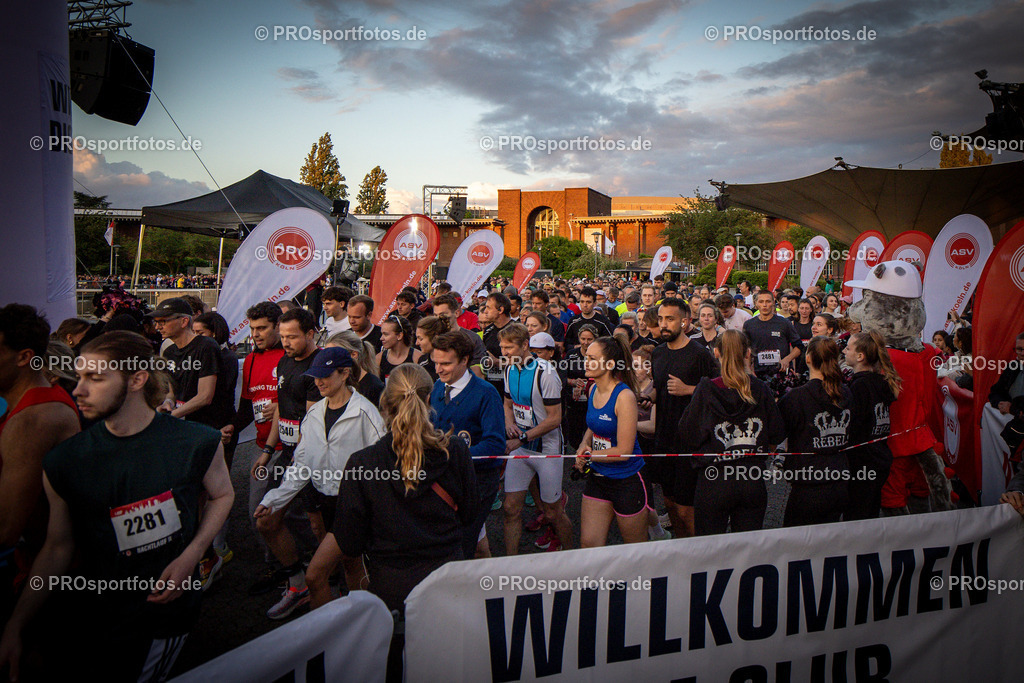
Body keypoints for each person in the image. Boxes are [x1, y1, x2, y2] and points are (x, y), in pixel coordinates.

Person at [0, 331, 233, 682]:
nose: (78, 390)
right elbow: (58, 546)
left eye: (95, 378)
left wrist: (193, 554)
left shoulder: (196, 442)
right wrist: (17, 624)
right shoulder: (65, 461)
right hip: (94, 615)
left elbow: (222, 494)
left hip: (164, 616)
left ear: (137, 379)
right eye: (78, 377)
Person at [328, 363, 477, 681]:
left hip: (391, 594)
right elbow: (470, 515)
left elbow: (349, 542)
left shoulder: (362, 464)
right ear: (429, 402)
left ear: (385, 403)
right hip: (448, 585)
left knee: (396, 669)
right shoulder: (456, 452)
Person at [255, 347, 384, 616]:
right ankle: (364, 622)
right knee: (351, 566)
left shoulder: (366, 414)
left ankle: (327, 636)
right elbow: (301, 465)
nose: (318, 382)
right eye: (316, 376)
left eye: (325, 375)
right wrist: (273, 500)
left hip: (353, 506)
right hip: (325, 501)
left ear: (345, 373)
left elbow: (382, 464)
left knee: (316, 575)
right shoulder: (314, 415)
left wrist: (371, 505)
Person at [0, 306, 80, 624]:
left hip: (49, 578)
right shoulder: (37, 402)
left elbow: (6, 529)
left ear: (23, 357)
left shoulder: (33, 418)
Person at [246, 308, 322, 597]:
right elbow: (281, 408)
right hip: (287, 455)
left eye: (293, 337)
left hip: (311, 461)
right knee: (266, 519)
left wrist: (299, 461)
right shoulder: (285, 362)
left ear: (311, 334)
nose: (286, 342)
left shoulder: (319, 366)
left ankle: (327, 578)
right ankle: (297, 579)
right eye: (284, 336)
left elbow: (314, 423)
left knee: (317, 525)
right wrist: (267, 451)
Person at [679, 330, 784, 535]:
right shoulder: (760, 389)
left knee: (710, 550)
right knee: (747, 549)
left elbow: (688, 434)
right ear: (747, 354)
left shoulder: (706, 389)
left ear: (716, 353)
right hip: (751, 477)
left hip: (714, 478)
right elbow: (776, 435)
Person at [429, 330, 505, 558]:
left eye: (446, 363)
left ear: (464, 360)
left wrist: (454, 456)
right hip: (444, 479)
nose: (439, 369)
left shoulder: (486, 394)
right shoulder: (437, 387)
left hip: (476, 483)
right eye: (436, 362)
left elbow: (495, 445)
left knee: (460, 544)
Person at [499, 324, 572, 554]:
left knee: (552, 512)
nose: (505, 352)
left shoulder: (546, 372)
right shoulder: (509, 369)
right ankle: (510, 562)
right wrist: (510, 423)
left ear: (524, 346)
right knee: (510, 508)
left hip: (546, 449)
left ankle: (573, 556)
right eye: (502, 347)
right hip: (521, 448)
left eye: (509, 347)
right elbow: (507, 404)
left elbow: (554, 419)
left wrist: (522, 437)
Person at [649, 298, 717, 537]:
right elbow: (661, 388)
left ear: (685, 322)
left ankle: (698, 556)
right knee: (669, 505)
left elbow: (720, 390)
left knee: (687, 510)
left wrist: (689, 389)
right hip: (663, 440)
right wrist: (649, 396)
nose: (664, 324)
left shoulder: (700, 354)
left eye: (670, 319)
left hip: (691, 443)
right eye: (660, 319)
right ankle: (680, 550)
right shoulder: (657, 353)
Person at [574, 336, 647, 547]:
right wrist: (582, 445)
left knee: (635, 550)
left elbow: (624, 451)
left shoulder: (624, 397)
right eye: (586, 357)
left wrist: (587, 456)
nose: (586, 362)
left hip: (627, 480)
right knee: (589, 544)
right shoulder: (593, 389)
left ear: (610, 364)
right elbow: (593, 424)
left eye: (593, 358)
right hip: (598, 477)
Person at [778, 337, 853, 527]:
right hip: (839, 478)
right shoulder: (846, 392)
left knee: (797, 544)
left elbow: (778, 433)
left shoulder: (797, 396)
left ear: (808, 358)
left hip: (809, 482)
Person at [842, 331, 900, 520]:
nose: (844, 350)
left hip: (863, 462)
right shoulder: (880, 382)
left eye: (848, 348)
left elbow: (854, 426)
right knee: (869, 512)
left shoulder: (860, 387)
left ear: (860, 356)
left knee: (858, 515)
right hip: (878, 457)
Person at [150, 297, 222, 428]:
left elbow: (205, 396)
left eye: (163, 321)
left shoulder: (206, 346)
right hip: (181, 425)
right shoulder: (169, 352)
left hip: (204, 426)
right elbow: (172, 392)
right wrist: (168, 403)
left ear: (184, 321)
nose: (158, 327)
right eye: (156, 322)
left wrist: (172, 416)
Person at [743, 290, 802, 379]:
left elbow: (799, 346)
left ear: (774, 303)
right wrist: (749, 371)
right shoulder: (749, 325)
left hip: (781, 373)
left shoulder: (784, 323)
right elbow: (746, 351)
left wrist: (787, 359)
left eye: (768, 301)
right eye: (761, 301)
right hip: (758, 374)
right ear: (756, 303)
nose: (765, 305)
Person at [432, 293, 487, 378]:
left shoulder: (472, 338)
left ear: (456, 313)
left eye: (443, 315)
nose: (439, 319)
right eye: (435, 315)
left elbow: (478, 373)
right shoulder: (431, 338)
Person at [325, 331, 385, 408]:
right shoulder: (338, 382)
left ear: (353, 355)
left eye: (334, 355)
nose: (328, 361)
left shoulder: (374, 387)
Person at [563, 324, 598, 449]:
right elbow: (562, 376)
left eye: (589, 339)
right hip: (574, 403)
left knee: (592, 434)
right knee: (574, 436)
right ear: (578, 338)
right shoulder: (571, 354)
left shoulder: (599, 355)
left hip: (593, 403)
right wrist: (572, 382)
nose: (586, 342)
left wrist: (586, 385)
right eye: (583, 339)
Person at [480, 292, 515, 396]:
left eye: (488, 308)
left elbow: (524, 362)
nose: (485, 311)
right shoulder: (488, 330)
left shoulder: (517, 330)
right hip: (491, 388)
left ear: (500, 310)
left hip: (512, 387)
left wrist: (497, 362)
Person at [376, 315, 422, 381]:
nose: (381, 338)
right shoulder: (379, 359)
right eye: (382, 334)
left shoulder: (417, 358)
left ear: (399, 335)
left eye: (386, 334)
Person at [415, 315, 449, 382]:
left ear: (435, 338)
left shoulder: (453, 360)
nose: (417, 343)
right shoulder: (422, 362)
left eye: (420, 339)